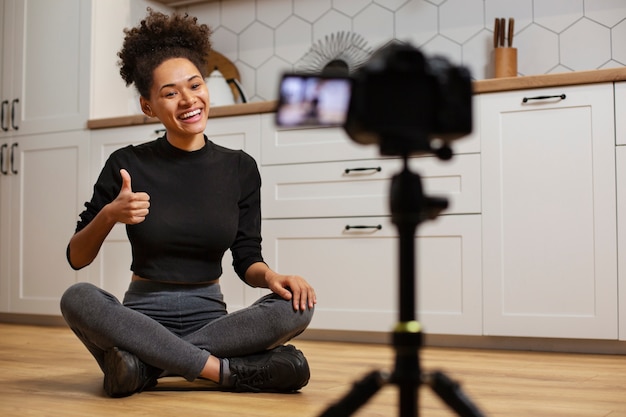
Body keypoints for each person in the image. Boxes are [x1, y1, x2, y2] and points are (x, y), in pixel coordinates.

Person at [60, 9, 316, 398]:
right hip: (141, 317)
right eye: (170, 93)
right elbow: (77, 257)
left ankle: (143, 367)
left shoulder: (240, 168)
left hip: (211, 319)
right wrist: (111, 214)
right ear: (149, 106)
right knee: (76, 298)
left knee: (297, 306)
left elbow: (246, 258)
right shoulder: (127, 163)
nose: (188, 100)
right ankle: (225, 372)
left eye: (195, 85)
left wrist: (273, 278)